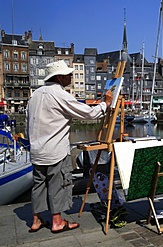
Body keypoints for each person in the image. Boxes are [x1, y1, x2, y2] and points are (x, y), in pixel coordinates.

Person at [26, 60, 113, 233]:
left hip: (37, 150)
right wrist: (106, 103)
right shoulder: (59, 94)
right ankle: (57, 222)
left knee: (39, 185)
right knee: (58, 184)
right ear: (59, 77)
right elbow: (88, 113)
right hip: (55, 150)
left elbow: (29, 122)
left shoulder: (35, 95)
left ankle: (36, 220)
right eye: (68, 74)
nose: (71, 76)